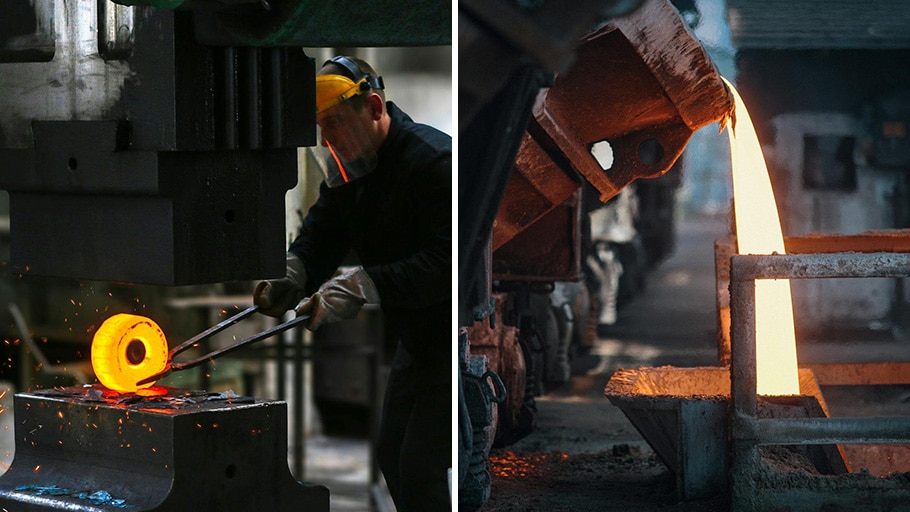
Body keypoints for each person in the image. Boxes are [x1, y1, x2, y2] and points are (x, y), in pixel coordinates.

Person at [253, 55, 452, 511]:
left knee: (421, 466)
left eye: (336, 123)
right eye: (321, 130)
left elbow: (445, 263)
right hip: (416, 340)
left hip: (452, 337)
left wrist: (361, 285)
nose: (330, 140)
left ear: (375, 106)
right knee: (393, 454)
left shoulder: (434, 162)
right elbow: (322, 234)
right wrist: (294, 273)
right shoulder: (351, 171)